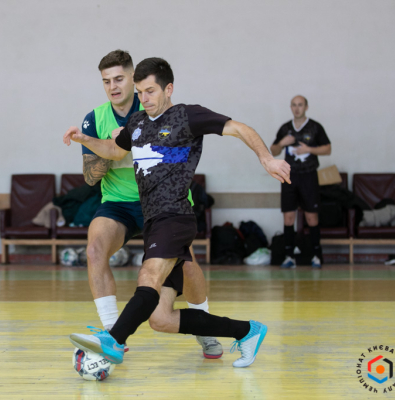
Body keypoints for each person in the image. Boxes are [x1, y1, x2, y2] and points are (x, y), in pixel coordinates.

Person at [64, 57, 290, 368]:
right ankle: (247, 331)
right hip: (153, 220)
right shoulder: (137, 123)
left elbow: (239, 128)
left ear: (168, 89)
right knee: (161, 318)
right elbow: (115, 150)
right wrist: (84, 139)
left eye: (151, 91)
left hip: (175, 217)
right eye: (140, 92)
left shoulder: (187, 115)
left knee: (148, 276)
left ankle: (113, 340)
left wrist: (267, 159)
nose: (144, 98)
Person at [76, 49, 221, 358]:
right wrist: (113, 146)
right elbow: (90, 177)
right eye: (106, 81)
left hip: (164, 201)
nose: (113, 87)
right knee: (94, 249)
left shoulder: (155, 108)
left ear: (134, 79)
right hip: (118, 202)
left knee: (188, 266)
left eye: (119, 79)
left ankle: (205, 327)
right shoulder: (94, 119)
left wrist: (133, 141)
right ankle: (113, 333)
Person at [270, 96, 331, 269]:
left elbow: (328, 149)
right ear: (291, 107)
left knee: (311, 216)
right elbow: (273, 151)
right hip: (289, 176)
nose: (297, 108)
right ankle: (289, 256)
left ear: (306, 107)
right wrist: (282, 143)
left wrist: (309, 149)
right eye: (294, 105)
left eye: (300, 105)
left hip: (308, 176)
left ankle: (316, 256)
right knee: (289, 216)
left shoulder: (315, 127)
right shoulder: (285, 128)